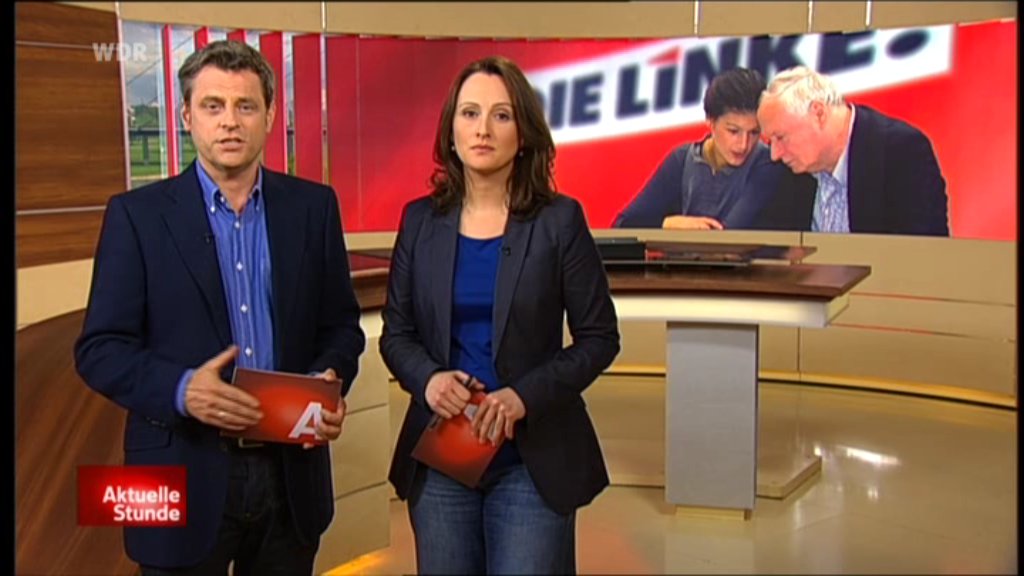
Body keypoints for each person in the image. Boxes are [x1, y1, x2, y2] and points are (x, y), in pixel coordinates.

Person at [74, 40, 366, 574]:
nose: (230, 121)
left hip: (289, 477)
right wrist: (182, 390)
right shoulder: (135, 216)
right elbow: (99, 349)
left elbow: (342, 326)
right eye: (213, 106)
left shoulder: (313, 207)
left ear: (270, 116)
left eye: (245, 106)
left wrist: (328, 378)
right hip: (176, 467)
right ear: (187, 116)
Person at [379, 55, 620, 575]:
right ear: (451, 131)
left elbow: (599, 338)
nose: (482, 129)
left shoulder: (559, 221)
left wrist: (523, 397)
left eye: (501, 115)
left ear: (524, 132)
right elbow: (396, 335)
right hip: (443, 455)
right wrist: (429, 381)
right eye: (469, 113)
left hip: (530, 461)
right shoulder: (420, 221)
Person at [754, 65, 950, 235]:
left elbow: (924, 254)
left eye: (781, 137)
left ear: (819, 114)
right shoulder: (789, 170)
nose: (775, 155)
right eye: (770, 142)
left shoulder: (901, 152)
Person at [613, 67, 783, 230]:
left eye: (754, 132)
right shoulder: (681, 161)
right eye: (733, 131)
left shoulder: (768, 162)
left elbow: (726, 236)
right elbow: (623, 224)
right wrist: (669, 223)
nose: (744, 144)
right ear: (710, 121)